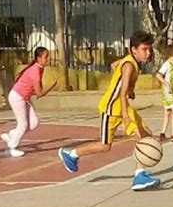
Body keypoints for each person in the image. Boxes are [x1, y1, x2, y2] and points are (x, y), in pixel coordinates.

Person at [58, 30, 161, 191]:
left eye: (149, 49)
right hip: (111, 109)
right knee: (105, 146)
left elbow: (114, 66)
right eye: (144, 49)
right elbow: (122, 89)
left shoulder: (131, 62)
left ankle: (140, 175)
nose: (148, 53)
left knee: (145, 135)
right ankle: (71, 154)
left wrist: (130, 91)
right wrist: (126, 114)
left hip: (122, 107)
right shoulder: (128, 65)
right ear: (134, 49)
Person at [0, 47, 57, 157]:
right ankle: (11, 147)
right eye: (46, 57)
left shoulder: (39, 68)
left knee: (34, 123)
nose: (48, 59)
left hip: (24, 98)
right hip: (17, 97)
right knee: (23, 124)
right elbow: (39, 93)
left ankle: (12, 134)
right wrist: (52, 85)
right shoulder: (36, 70)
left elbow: (35, 90)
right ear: (39, 58)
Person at [156, 44, 173, 142]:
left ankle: (162, 132)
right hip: (168, 91)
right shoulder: (167, 63)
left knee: (168, 112)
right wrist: (166, 84)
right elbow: (158, 75)